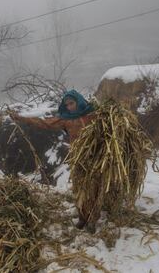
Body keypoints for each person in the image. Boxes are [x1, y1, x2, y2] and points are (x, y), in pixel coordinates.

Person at [9, 89, 98, 232]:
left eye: (72, 103)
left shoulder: (93, 115)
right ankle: (83, 217)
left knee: (93, 187)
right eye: (67, 104)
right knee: (79, 187)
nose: (69, 107)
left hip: (95, 157)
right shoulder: (66, 119)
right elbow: (44, 123)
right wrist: (21, 118)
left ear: (79, 101)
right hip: (78, 158)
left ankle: (93, 218)